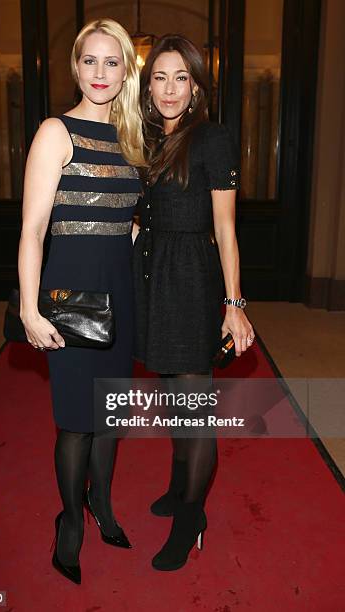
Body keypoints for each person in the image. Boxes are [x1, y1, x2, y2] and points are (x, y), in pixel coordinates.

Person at [17, 18, 144, 584]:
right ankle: (70, 521)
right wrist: (28, 308)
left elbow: (132, 216)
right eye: (89, 61)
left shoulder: (134, 138)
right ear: (75, 67)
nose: (100, 72)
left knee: (109, 414)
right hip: (69, 293)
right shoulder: (55, 132)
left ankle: (103, 505)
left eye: (111, 62)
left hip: (121, 286)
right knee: (76, 422)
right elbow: (33, 229)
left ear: (125, 71)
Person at [133, 34, 255, 571]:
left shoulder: (213, 139)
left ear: (197, 85)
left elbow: (226, 230)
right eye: (159, 76)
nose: (169, 89)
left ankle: (190, 518)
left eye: (181, 77)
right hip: (153, 275)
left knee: (194, 408)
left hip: (192, 279)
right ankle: (179, 485)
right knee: (171, 397)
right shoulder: (144, 139)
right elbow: (140, 215)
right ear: (147, 82)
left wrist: (234, 303)